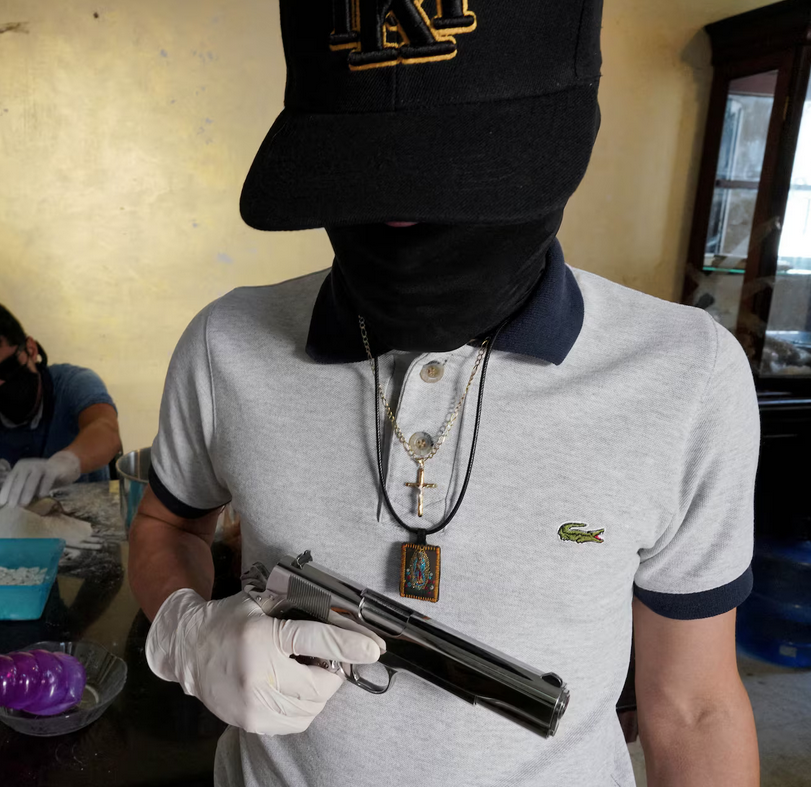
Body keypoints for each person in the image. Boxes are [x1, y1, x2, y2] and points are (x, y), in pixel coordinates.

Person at [130, 2, 760, 786]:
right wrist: (185, 628)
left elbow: (696, 707)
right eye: (365, 181)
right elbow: (165, 523)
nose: (408, 220)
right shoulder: (225, 344)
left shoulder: (690, 375)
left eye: (461, 177)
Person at [0, 299, 121, 508]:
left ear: (31, 350)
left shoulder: (73, 383)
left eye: (7, 368)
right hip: (9, 525)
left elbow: (107, 431)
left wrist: (65, 463)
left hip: (88, 517)